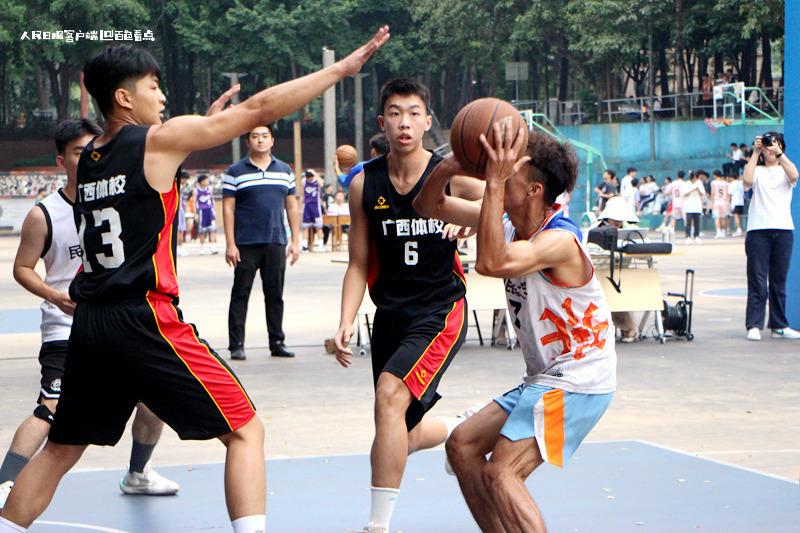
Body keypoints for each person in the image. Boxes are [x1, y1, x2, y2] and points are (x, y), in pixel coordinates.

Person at [0, 28, 390, 533]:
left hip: (93, 324)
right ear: (124, 98)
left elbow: (139, 183)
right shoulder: (157, 141)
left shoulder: (91, 158)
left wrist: (204, 124)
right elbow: (260, 110)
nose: (162, 96)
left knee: (59, 449)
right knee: (246, 429)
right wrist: (339, 71)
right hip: (145, 317)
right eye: (153, 86)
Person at [415, 120, 615, 533]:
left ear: (533, 191)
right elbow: (426, 206)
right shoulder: (509, 225)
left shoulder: (559, 242)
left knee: (503, 472)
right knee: (462, 445)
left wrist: (491, 183)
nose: (498, 176)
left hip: (579, 380)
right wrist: (450, 164)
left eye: (510, 175)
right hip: (545, 378)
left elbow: (491, 263)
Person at [0, 119, 180, 511]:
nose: (90, 159)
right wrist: (55, 295)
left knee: (154, 400)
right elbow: (22, 267)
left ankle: (138, 473)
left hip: (119, 323)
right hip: (67, 328)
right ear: (61, 159)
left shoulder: (118, 201)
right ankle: (6, 482)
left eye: (95, 151)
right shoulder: (44, 213)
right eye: (81, 153)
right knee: (53, 406)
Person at [332, 78, 482, 533]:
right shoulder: (365, 184)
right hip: (390, 315)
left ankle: (377, 527)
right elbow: (358, 263)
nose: (404, 122)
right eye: (396, 113)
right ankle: (463, 430)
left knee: (389, 396)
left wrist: (471, 224)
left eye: (414, 113)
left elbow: (498, 207)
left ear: (427, 122)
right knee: (398, 429)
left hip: (440, 309)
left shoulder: (450, 174)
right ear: (382, 122)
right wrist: (344, 321)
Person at [222, 124, 301, 361]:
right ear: (248, 142)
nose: (260, 140)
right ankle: (236, 344)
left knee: (275, 294)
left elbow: (292, 206)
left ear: (272, 140)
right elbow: (228, 208)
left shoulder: (285, 170)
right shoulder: (235, 171)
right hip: (245, 243)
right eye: (255, 136)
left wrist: (295, 241)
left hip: (276, 241)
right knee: (240, 293)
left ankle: (277, 341)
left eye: (264, 136)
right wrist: (230, 243)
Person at [742, 132, 800, 341]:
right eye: (767, 145)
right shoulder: (756, 169)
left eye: (773, 145)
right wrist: (755, 152)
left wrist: (779, 153)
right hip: (758, 229)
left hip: (783, 230)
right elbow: (747, 181)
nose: (769, 148)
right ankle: (754, 325)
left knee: (778, 280)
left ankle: (779, 325)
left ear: (781, 146)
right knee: (757, 279)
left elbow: (795, 175)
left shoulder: (785, 169)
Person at [300, 169, 326, 252]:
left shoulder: (316, 181)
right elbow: (301, 194)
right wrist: (300, 207)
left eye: (311, 177)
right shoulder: (304, 181)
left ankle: (320, 246)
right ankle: (304, 246)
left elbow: (322, 184)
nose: (309, 179)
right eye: (308, 178)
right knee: (305, 227)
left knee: (319, 227)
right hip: (306, 206)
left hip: (315, 207)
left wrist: (315, 173)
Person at [195, 174, 219, 254]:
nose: (207, 182)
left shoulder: (210, 188)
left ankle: (212, 246)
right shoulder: (196, 190)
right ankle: (202, 247)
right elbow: (195, 202)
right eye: (205, 180)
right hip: (202, 211)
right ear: (201, 182)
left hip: (210, 210)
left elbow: (212, 199)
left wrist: (214, 211)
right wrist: (196, 214)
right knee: (202, 231)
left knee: (212, 229)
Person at [682, 170, 706, 244]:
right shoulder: (686, 184)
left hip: (697, 205)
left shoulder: (699, 183)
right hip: (689, 205)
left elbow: (703, 193)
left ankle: (696, 236)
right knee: (688, 222)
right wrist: (693, 190)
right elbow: (684, 194)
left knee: (697, 222)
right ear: (694, 177)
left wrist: (698, 190)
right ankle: (687, 237)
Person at [710, 170, 729, 238]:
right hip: (724, 201)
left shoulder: (713, 182)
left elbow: (712, 193)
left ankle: (718, 232)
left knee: (717, 217)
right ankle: (723, 232)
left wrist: (711, 202)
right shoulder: (725, 183)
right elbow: (727, 194)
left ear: (715, 175)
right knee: (723, 217)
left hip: (717, 201)